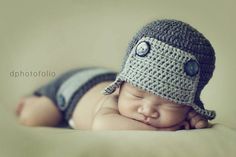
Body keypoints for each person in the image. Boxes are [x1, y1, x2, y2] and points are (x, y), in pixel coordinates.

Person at [15, 19, 216, 131]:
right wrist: (164, 130)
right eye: (137, 95)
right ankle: (31, 100)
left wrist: (194, 119)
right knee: (34, 118)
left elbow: (194, 119)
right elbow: (102, 125)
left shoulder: (184, 109)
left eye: (170, 103)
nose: (147, 110)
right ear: (120, 87)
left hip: (104, 74)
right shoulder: (113, 101)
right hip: (72, 89)